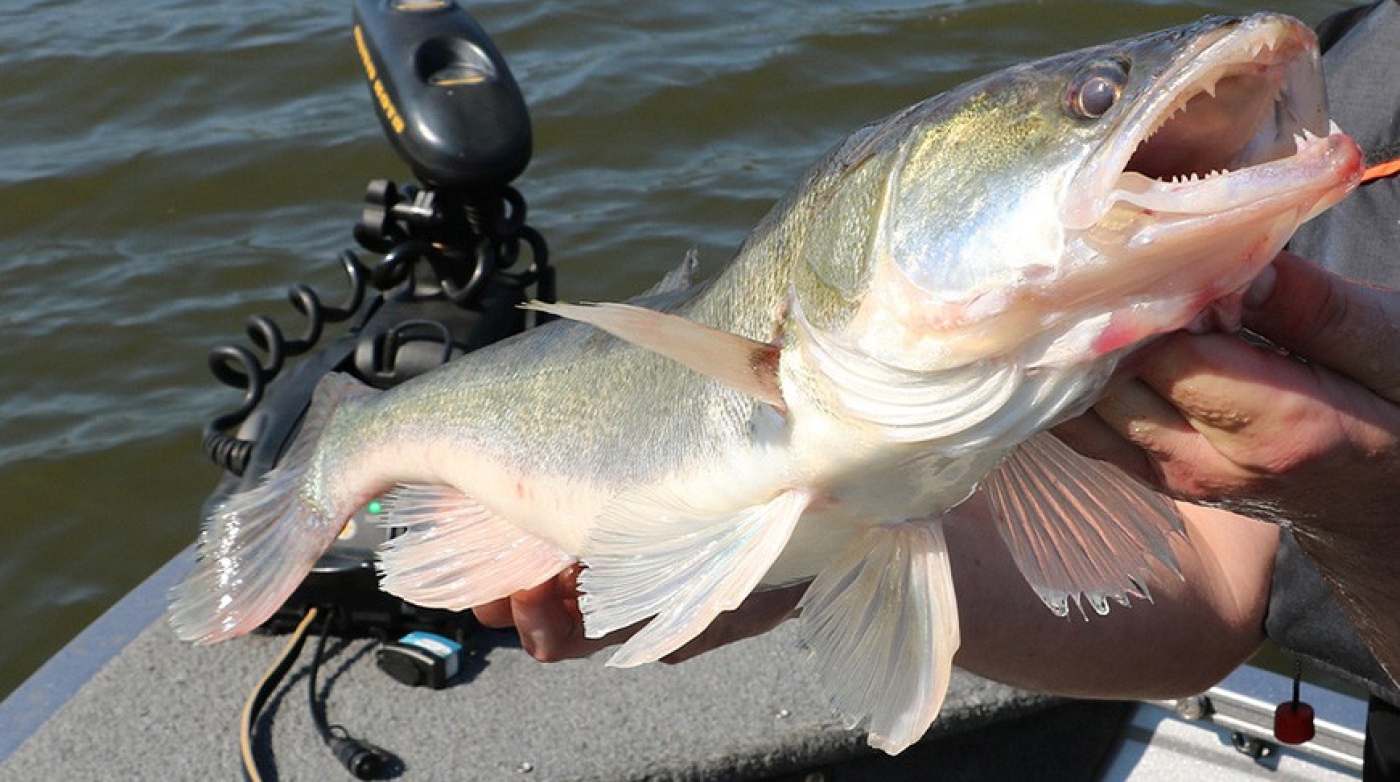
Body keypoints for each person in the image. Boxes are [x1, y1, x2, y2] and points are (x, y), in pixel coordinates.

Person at [475, 2, 1400, 776]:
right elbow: (1216, 577)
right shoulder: (1367, 78)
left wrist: (1371, 507)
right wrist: (822, 542)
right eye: (1093, 99)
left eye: (1095, 100)